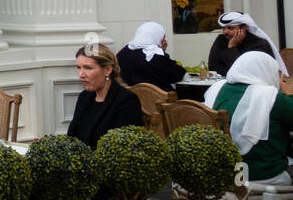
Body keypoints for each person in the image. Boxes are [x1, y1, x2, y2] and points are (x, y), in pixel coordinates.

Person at [68, 43, 142, 200]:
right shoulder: (85, 97)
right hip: (78, 169)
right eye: (79, 68)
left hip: (106, 178)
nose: (81, 74)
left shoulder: (126, 101)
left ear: (107, 70)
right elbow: (72, 138)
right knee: (18, 188)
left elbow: (120, 152)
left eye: (88, 68)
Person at [206, 51, 293, 185]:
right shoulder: (271, 96)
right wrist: (289, 94)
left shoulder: (216, 88)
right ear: (266, 71)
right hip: (262, 175)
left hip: (222, 172)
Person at [117, 21, 186, 91]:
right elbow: (178, 74)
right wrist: (162, 52)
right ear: (156, 37)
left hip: (130, 98)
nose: (164, 41)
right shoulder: (154, 55)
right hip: (158, 100)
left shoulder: (123, 53)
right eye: (163, 38)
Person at [208, 12, 278, 76]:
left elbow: (244, 72)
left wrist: (232, 47)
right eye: (223, 28)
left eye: (230, 28)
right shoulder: (221, 40)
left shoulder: (259, 44)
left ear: (244, 28)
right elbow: (213, 68)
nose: (225, 32)